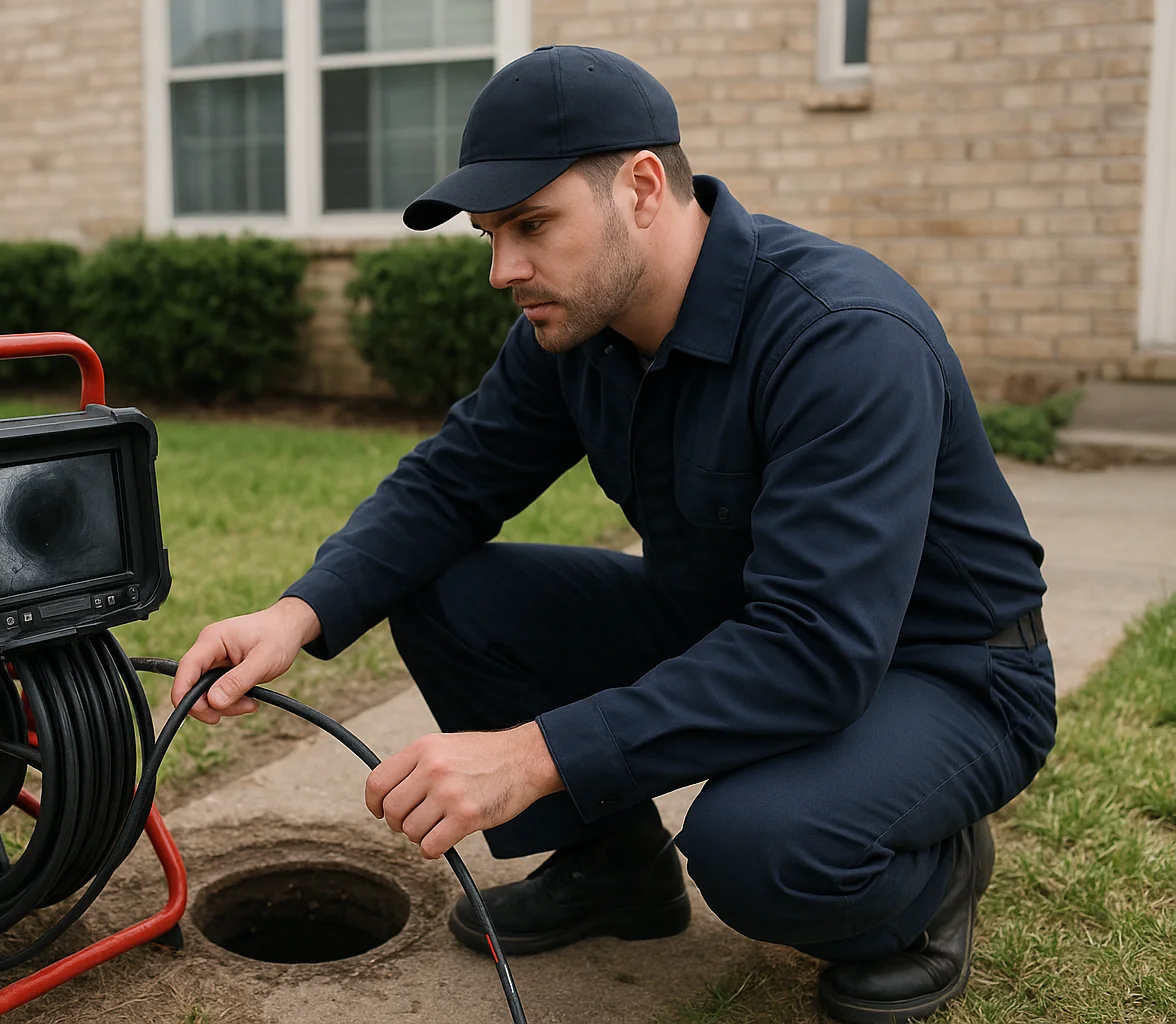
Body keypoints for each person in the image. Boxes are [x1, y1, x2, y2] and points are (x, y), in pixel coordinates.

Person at [170, 44, 1056, 1023]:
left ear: (641, 186)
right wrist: (295, 614)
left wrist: (528, 757)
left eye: (532, 225)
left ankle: (926, 888)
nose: (505, 269)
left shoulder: (841, 334)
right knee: (443, 588)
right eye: (489, 236)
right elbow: (450, 483)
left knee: (759, 846)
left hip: (940, 670)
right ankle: (613, 868)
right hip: (735, 620)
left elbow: (819, 650)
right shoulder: (575, 329)